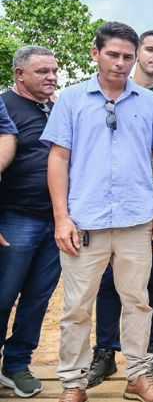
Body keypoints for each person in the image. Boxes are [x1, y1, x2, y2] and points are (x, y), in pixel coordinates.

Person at [41, 22, 153, 402]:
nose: (119, 63)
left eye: (126, 57)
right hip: (85, 221)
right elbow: (59, 157)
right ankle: (73, 381)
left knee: (137, 299)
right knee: (77, 306)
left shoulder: (148, 103)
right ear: (95, 53)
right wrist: (61, 216)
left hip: (136, 220)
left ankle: (138, 375)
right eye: (112, 55)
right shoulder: (71, 100)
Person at [89, 30, 153, 388]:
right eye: (150, 49)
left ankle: (152, 349)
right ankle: (105, 352)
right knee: (107, 282)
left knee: (152, 282)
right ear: (137, 53)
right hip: (105, 208)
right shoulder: (105, 95)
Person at [0, 46, 58, 398]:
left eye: (54, 70)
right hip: (15, 219)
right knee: (3, 296)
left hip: (57, 222)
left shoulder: (57, 107)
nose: (51, 77)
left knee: (38, 298)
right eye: (42, 72)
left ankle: (17, 365)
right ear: (20, 74)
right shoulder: (3, 107)